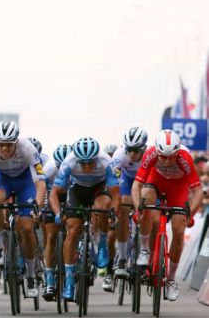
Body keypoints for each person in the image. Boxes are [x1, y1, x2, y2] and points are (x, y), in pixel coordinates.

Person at [0, 121, 46, 298]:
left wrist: (37, 207)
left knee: (27, 227)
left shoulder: (28, 149)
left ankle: (30, 275)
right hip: (3, 178)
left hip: (25, 181)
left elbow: (41, 184)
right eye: (1, 144)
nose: (4, 148)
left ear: (16, 142)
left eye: (9, 145)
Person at [131, 129, 202, 301]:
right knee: (146, 199)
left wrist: (190, 214)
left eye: (172, 156)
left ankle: (171, 279)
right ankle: (146, 250)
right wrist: (138, 209)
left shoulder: (185, 158)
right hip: (156, 181)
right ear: (157, 151)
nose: (168, 161)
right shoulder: (151, 154)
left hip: (178, 187)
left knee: (178, 230)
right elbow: (136, 186)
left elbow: (198, 191)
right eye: (163, 156)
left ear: (177, 152)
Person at [49, 137, 119, 301]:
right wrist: (59, 213)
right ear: (77, 159)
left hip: (99, 188)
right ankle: (68, 281)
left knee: (102, 208)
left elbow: (115, 194)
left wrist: (113, 213)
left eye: (91, 163)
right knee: (73, 230)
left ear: (97, 158)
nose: (87, 167)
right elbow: (54, 193)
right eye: (83, 163)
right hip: (77, 190)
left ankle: (102, 244)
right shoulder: (69, 161)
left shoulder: (106, 162)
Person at [105, 126, 148, 291]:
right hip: (126, 182)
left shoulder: (150, 155)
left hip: (144, 183)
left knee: (149, 210)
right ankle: (122, 257)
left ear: (143, 148)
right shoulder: (119, 155)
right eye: (129, 149)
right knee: (122, 207)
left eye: (135, 150)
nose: (131, 153)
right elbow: (113, 183)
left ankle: (145, 251)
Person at [40, 143, 71, 300]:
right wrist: (42, 210)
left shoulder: (76, 166)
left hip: (72, 194)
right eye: (60, 166)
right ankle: (50, 279)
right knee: (51, 235)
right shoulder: (49, 169)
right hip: (52, 195)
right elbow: (42, 191)